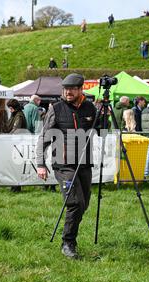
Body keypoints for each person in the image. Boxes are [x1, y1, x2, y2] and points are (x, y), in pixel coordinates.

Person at [36, 73, 97, 259]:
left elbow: (101, 131)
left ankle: (70, 239)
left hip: (84, 164)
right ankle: (68, 243)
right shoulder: (56, 108)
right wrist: (40, 164)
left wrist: (103, 115)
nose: (68, 92)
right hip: (63, 165)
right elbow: (44, 137)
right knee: (75, 203)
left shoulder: (90, 107)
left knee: (83, 204)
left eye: (72, 89)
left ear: (80, 90)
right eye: (66, 89)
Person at [7, 99, 28, 193]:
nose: (10, 110)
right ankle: (14, 186)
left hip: (18, 144)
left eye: (10, 108)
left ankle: (16, 187)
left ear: (14, 108)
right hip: (15, 143)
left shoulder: (19, 116)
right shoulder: (14, 115)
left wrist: (6, 137)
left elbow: (16, 130)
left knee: (16, 166)